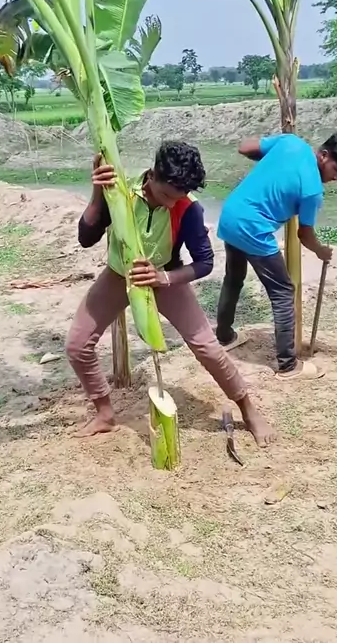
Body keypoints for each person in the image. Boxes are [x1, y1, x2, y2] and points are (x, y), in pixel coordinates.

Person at [66, 140, 275, 446]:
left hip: (165, 276)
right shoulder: (121, 192)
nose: (170, 204)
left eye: (177, 198)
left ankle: (247, 408)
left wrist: (163, 278)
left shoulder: (187, 208)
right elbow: (86, 238)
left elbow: (204, 263)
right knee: (77, 346)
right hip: (119, 275)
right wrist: (99, 192)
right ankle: (105, 413)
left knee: (208, 347)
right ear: (151, 175)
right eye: (165, 195)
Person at [216, 131, 337, 381]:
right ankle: (287, 365)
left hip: (231, 215)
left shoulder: (290, 143)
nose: (336, 178)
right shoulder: (312, 191)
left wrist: (273, 162)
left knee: (234, 278)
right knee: (283, 293)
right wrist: (321, 251)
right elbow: (304, 234)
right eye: (336, 169)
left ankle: (224, 336)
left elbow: (245, 147)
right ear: (324, 155)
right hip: (253, 229)